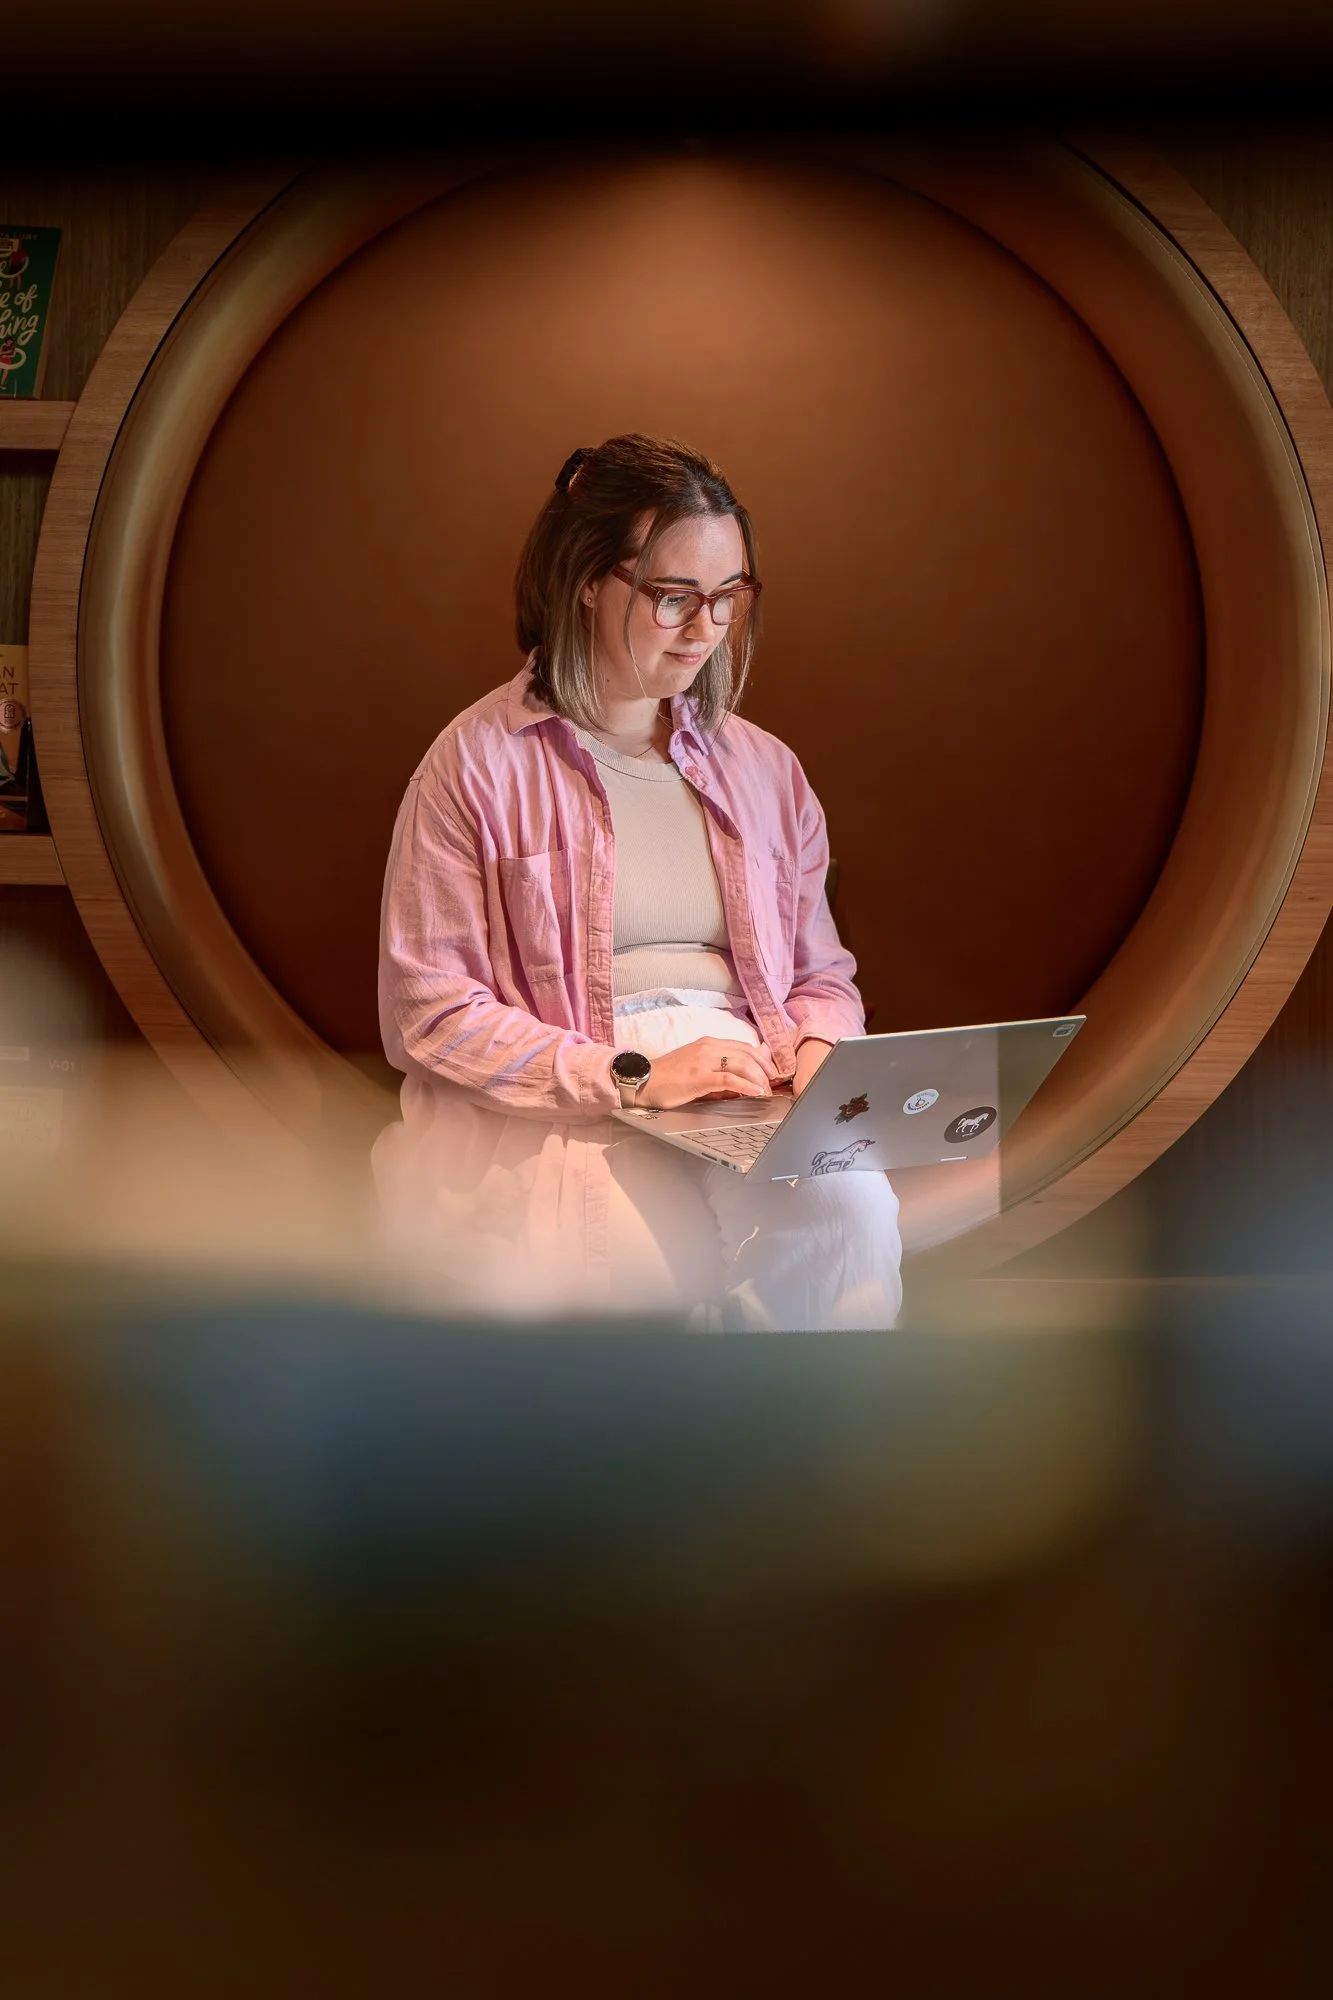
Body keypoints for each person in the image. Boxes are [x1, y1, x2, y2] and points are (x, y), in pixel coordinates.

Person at [375, 434, 902, 1328]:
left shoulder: (765, 771)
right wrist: (627, 1075)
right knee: (625, 1269)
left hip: (750, 1079)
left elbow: (820, 974)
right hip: (581, 1082)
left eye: (728, 598)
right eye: (673, 598)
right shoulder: (474, 766)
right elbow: (429, 1008)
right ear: (588, 581)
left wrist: (817, 1052)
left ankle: (807, 1463)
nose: (705, 629)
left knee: (850, 1220)